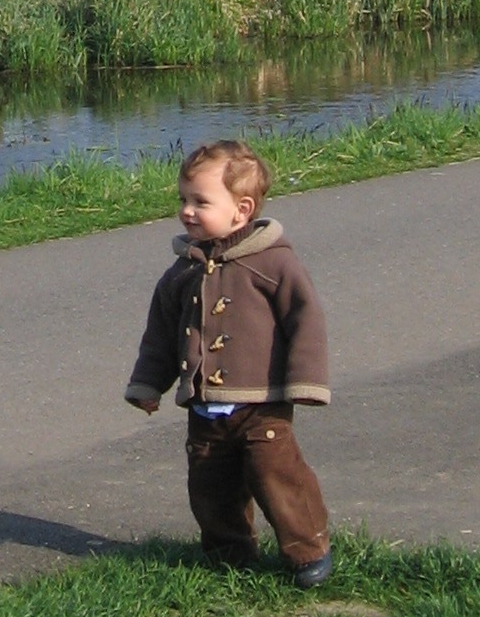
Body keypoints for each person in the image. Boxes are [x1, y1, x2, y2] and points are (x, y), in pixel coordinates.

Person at [125, 139, 332, 588]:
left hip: (262, 402)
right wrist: (147, 384)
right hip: (204, 405)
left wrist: (306, 382)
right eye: (183, 199)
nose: (186, 211)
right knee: (210, 484)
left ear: (242, 209)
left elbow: (306, 320)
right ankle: (229, 554)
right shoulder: (181, 273)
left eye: (200, 202)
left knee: (278, 478)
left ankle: (307, 550)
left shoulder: (274, 263)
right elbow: (160, 335)